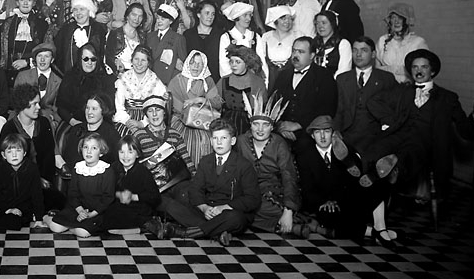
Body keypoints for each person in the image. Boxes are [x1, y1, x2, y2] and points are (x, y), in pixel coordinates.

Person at [361, 49, 474, 200]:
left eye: (424, 67)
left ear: (432, 71)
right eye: (415, 67)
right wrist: (390, 121)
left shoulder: (447, 98)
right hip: (400, 135)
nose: (418, 71)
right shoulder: (402, 91)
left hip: (427, 143)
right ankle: (367, 172)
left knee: (409, 152)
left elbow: (466, 131)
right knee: (375, 148)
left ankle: (394, 170)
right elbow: (374, 101)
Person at [295, 115, 400, 247]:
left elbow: (351, 186)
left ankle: (379, 226)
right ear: (312, 136)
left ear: (333, 134)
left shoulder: (345, 150)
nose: (322, 136)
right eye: (317, 132)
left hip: (344, 198)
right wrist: (324, 202)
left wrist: (339, 199)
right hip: (323, 204)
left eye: (326, 131)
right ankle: (378, 232)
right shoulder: (305, 157)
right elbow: (307, 188)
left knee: (375, 186)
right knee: (330, 218)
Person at [163, 119, 260, 245]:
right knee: (171, 202)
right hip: (209, 210)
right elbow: (195, 189)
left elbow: (252, 199)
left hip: (228, 211)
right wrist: (204, 208)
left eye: (224, 138)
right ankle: (217, 232)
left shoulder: (243, 165)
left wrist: (224, 208)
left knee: (236, 218)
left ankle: (188, 232)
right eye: (215, 138)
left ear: (232, 141)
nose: (219, 142)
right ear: (211, 141)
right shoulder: (206, 161)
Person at [234, 95, 309, 238]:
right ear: (250, 125)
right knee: (241, 206)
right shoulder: (241, 141)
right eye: (256, 124)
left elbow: (289, 176)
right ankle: (291, 226)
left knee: (258, 208)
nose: (260, 129)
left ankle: (288, 218)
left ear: (272, 127)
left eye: (265, 125)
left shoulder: (279, 143)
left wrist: (288, 210)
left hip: (273, 193)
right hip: (247, 192)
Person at [0, 83, 67, 212]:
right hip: (17, 185)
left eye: (38, 103)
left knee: (60, 202)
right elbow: (3, 165)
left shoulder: (44, 123)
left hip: (43, 183)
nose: (38, 107)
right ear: (23, 104)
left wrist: (44, 180)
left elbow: (48, 158)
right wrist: (35, 180)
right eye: (34, 104)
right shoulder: (9, 128)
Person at [46, 132, 116, 238]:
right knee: (55, 227)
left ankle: (73, 227)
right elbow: (72, 193)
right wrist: (80, 211)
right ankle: (47, 218)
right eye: (85, 147)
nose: (89, 151)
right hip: (78, 209)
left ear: (101, 152)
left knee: (83, 233)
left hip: (97, 212)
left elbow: (108, 198)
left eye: (94, 148)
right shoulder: (78, 168)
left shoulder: (107, 170)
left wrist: (90, 214)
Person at [273, 37, 338, 148]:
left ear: (312, 55)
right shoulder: (283, 75)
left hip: (310, 134)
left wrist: (299, 125)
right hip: (281, 132)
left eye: (301, 52)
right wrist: (280, 126)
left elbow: (328, 109)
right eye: (294, 51)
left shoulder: (324, 76)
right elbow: (273, 103)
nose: (295, 55)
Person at [335, 37, 397, 152]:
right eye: (355, 50)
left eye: (364, 50)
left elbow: (393, 111)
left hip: (376, 138)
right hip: (347, 137)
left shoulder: (386, 79)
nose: (358, 54)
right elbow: (338, 110)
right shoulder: (342, 79)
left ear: (373, 54)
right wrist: (336, 133)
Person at [131, 95, 196, 195]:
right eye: (150, 111)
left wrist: (195, 179)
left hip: (176, 182)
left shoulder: (174, 134)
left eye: (158, 110)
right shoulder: (139, 135)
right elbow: (133, 164)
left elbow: (186, 158)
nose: (154, 114)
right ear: (146, 115)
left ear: (164, 112)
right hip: (152, 186)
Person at [167, 50, 222, 167]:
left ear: (204, 66)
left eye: (199, 64)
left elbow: (217, 103)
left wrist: (200, 100)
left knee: (205, 140)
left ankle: (201, 171)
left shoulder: (208, 81)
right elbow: (172, 104)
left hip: (203, 120)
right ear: (187, 64)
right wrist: (188, 112)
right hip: (180, 118)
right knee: (179, 139)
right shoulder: (178, 80)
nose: (196, 66)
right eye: (193, 63)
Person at [100, 136, 163, 235]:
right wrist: (119, 195)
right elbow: (105, 190)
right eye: (122, 152)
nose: (125, 156)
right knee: (108, 214)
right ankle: (141, 228)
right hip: (118, 206)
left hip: (138, 208)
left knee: (118, 216)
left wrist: (133, 197)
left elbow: (155, 197)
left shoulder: (143, 172)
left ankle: (147, 224)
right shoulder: (113, 168)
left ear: (137, 154)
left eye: (130, 152)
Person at [56, 42, 116, 126]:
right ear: (80, 59)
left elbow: (108, 109)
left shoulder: (105, 79)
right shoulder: (70, 77)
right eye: (86, 59)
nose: (89, 62)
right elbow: (61, 108)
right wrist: (73, 121)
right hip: (74, 123)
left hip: (99, 124)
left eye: (93, 59)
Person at [0, 0, 48, 85]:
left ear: (33, 3)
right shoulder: (8, 23)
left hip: (32, 70)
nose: (25, 3)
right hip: (10, 72)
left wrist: (27, 62)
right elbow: (2, 50)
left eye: (29, 0)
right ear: (17, 2)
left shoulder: (42, 24)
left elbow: (46, 49)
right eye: (22, 0)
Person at [112, 45, 167, 132]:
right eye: (136, 59)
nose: (139, 63)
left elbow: (159, 107)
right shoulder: (123, 79)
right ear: (132, 60)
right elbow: (119, 106)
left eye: (143, 60)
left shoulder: (155, 81)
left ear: (148, 63)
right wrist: (128, 122)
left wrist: (142, 123)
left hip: (149, 118)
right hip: (127, 119)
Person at [216, 44, 268, 136]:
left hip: (249, 127)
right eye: (231, 61)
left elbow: (261, 110)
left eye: (237, 62)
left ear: (247, 63)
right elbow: (215, 102)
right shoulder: (224, 81)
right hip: (226, 125)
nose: (233, 65)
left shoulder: (257, 82)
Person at [62, 93, 122, 169]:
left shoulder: (111, 134)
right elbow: (68, 158)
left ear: (103, 111)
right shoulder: (76, 129)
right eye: (87, 108)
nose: (89, 112)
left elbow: (116, 163)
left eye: (94, 109)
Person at [53, 0, 108, 74]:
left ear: (89, 11)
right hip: (68, 76)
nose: (78, 13)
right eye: (75, 9)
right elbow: (58, 56)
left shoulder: (98, 30)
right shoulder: (65, 30)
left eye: (82, 9)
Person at [14, 40, 62, 131]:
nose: (42, 60)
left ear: (52, 60)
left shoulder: (58, 81)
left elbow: (58, 109)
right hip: (24, 117)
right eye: (39, 56)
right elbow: (16, 104)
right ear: (35, 59)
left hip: (47, 120)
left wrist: (51, 117)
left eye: (46, 56)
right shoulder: (23, 76)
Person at [376, 3, 429, 83]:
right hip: (385, 85)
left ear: (407, 20)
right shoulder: (382, 40)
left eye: (400, 18)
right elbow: (377, 71)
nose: (396, 21)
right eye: (393, 18)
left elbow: (422, 71)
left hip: (409, 86)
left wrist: (389, 69)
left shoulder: (418, 42)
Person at [218, 1, 268, 82]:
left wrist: (264, 82)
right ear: (237, 17)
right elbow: (224, 64)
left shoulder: (255, 37)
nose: (249, 19)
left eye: (250, 15)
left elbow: (262, 61)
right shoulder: (226, 37)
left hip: (254, 81)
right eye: (245, 15)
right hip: (234, 83)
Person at [262, 4, 302, 94]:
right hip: (270, 79)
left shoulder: (296, 36)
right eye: (283, 18)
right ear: (276, 20)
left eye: (290, 19)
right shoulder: (266, 37)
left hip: (290, 78)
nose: (287, 21)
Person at [145, 4, 188, 85]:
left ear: (171, 21)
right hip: (149, 80)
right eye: (158, 18)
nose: (159, 21)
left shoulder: (178, 38)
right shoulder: (150, 36)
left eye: (163, 19)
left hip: (167, 81)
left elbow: (183, 64)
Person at [184, 0, 225, 84]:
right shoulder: (188, 35)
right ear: (198, 14)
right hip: (193, 81)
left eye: (213, 14)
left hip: (215, 81)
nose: (210, 17)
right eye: (207, 13)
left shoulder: (221, 35)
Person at [105, 2, 147, 75]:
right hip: (117, 74)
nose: (136, 19)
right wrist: (116, 62)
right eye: (134, 15)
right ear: (127, 16)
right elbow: (108, 56)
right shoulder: (115, 33)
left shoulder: (142, 37)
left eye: (140, 16)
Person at [312, 10, 352, 78]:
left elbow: (344, 70)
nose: (320, 26)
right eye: (317, 23)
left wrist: (330, 82)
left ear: (332, 24)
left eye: (324, 23)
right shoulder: (313, 42)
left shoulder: (343, 44)